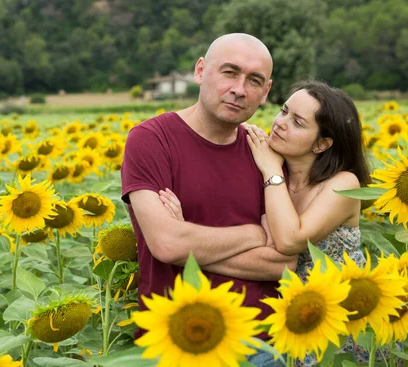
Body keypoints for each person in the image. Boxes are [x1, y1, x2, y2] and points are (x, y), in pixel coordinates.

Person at [160, 80, 374, 366]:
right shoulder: (269, 171)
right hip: (291, 321)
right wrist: (185, 230)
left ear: (322, 144)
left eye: (297, 122)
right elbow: (235, 231)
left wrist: (187, 253)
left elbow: (287, 241)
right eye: (284, 111)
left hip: (340, 321)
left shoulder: (342, 184)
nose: (280, 123)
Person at [121, 33, 296, 367]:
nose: (240, 89)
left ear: (266, 92)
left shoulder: (265, 153)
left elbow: (285, 262)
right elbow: (167, 244)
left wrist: (188, 241)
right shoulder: (151, 140)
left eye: (254, 81)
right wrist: (255, 234)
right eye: (229, 72)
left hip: (263, 344)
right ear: (200, 70)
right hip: (178, 344)